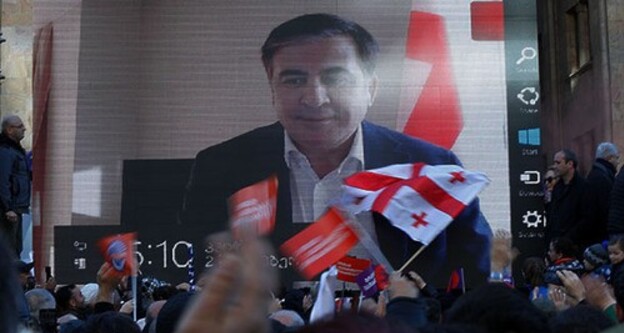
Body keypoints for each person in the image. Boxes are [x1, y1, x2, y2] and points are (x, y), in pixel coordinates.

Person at [180, 13, 491, 288]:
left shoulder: (433, 166)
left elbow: (474, 275)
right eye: (294, 79)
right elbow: (199, 271)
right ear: (272, 87)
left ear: (370, 89)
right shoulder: (221, 166)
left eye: (335, 78)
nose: (315, 98)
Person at [577, 142, 619, 250]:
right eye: (616, 158)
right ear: (609, 158)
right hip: (600, 236)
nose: (618, 162)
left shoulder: (595, 174)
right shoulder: (603, 178)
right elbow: (605, 208)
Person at [0, 114, 31, 257]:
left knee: (16, 247)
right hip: (8, 210)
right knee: (10, 249)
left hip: (16, 207)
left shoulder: (16, 150)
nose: (24, 129)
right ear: (9, 130)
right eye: (20, 126)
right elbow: (3, 180)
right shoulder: (5, 151)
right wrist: (8, 208)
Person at [545, 149, 587, 246]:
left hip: (574, 243)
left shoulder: (584, 187)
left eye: (558, 163)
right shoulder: (557, 188)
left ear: (570, 164)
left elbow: (586, 219)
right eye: (554, 162)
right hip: (556, 242)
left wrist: (568, 237)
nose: (555, 166)